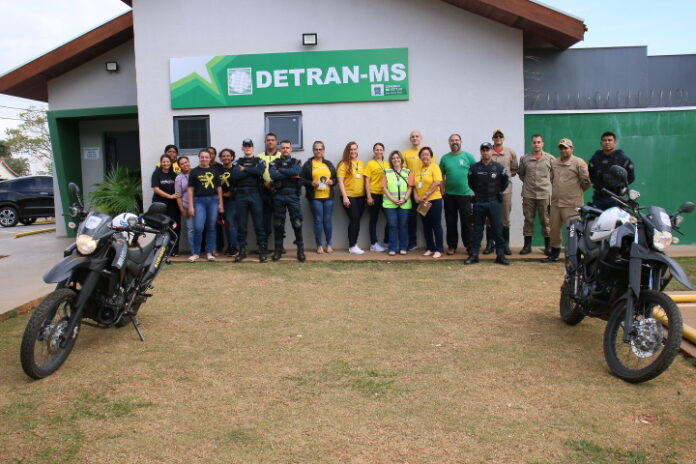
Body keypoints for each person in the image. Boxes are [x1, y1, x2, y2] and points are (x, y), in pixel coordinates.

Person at [543, 138, 591, 263]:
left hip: (572, 204)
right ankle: (554, 254)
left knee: (573, 231)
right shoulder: (554, 162)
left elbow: (586, 182)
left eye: (566, 147)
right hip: (556, 203)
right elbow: (552, 179)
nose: (563, 150)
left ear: (572, 148)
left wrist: (574, 194)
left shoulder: (579, 162)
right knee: (553, 230)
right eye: (561, 147)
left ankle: (574, 256)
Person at [466, 142, 510, 265]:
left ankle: (500, 255)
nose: (485, 152)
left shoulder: (499, 168)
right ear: (481, 152)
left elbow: (505, 182)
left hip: (494, 202)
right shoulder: (474, 168)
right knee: (477, 230)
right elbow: (471, 183)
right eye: (483, 150)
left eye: (488, 150)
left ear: (491, 151)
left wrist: (497, 192)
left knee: (497, 229)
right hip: (479, 203)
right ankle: (474, 255)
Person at [439, 133, 477, 256]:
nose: (454, 142)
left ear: (461, 142)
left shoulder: (468, 157)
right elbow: (440, 177)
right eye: (452, 140)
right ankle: (452, 246)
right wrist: (442, 192)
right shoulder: (445, 158)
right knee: (450, 222)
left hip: (465, 195)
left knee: (466, 222)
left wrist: (474, 190)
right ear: (449, 143)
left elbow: (475, 174)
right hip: (449, 195)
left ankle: (469, 246)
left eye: (457, 140)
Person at [483, 129, 518, 255]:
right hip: (489, 191)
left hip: (505, 191)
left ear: (503, 138)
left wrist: (504, 179)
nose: (498, 138)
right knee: (489, 218)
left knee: (504, 218)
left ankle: (505, 245)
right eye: (495, 136)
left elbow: (514, 170)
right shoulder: (487, 151)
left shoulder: (510, 152)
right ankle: (489, 244)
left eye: (500, 136)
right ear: (492, 138)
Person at [233, 138, 268, 262]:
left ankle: (262, 250)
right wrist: (252, 171)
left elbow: (260, 171)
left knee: (259, 224)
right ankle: (242, 251)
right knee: (242, 225)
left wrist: (245, 169)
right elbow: (236, 176)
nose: (247, 148)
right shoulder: (238, 162)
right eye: (245, 146)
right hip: (241, 195)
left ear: (253, 148)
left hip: (255, 195)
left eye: (249, 146)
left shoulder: (259, 160)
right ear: (242, 148)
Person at [518, 134, 554, 255]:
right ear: (531, 144)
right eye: (534, 142)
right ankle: (527, 246)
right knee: (528, 220)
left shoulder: (550, 158)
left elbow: (553, 176)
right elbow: (521, 174)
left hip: (544, 194)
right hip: (529, 194)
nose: (536, 144)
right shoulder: (524, 159)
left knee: (546, 220)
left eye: (539, 142)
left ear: (542, 143)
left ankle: (548, 246)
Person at [270, 140, 305, 262]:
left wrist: (282, 171)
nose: (285, 149)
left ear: (291, 149)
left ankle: (300, 250)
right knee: (278, 224)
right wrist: (289, 174)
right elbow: (273, 175)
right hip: (278, 195)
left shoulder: (296, 162)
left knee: (297, 223)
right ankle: (278, 250)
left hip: (292, 196)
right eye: (283, 148)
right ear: (280, 149)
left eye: (287, 148)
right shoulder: (274, 162)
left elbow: (296, 171)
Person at [300, 140, 337, 254]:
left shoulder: (329, 164)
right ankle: (319, 245)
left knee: (327, 221)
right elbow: (301, 179)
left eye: (320, 149)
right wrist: (311, 183)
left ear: (323, 150)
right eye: (316, 149)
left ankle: (329, 244)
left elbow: (336, 178)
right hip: (315, 198)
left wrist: (332, 181)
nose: (318, 151)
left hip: (328, 197)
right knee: (318, 221)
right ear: (313, 150)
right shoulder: (308, 164)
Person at [187, 149, 223, 262]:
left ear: (210, 158)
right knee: (198, 227)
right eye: (202, 157)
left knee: (211, 227)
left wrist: (221, 203)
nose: (204, 159)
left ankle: (209, 252)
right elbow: (190, 190)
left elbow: (219, 188)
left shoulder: (215, 170)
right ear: (199, 158)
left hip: (213, 200)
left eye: (206, 157)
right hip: (199, 201)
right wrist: (191, 206)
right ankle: (196, 252)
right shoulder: (194, 172)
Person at [588, 131, 635, 210]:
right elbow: (591, 176)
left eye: (610, 140)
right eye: (604, 140)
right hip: (599, 198)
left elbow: (631, 177)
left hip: (617, 198)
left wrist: (618, 186)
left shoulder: (623, 158)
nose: (607, 142)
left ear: (615, 142)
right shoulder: (595, 158)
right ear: (601, 143)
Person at [403, 130, 433, 250]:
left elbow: (432, 168)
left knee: (426, 218)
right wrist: (412, 187)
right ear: (410, 139)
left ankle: (429, 244)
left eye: (417, 136)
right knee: (412, 218)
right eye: (413, 137)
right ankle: (413, 242)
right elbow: (405, 172)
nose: (415, 138)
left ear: (421, 138)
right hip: (411, 191)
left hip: (426, 192)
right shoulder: (405, 153)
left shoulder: (427, 152)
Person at [413, 147, 444, 258]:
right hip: (422, 202)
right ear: (420, 157)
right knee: (426, 226)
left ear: (431, 156)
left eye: (427, 155)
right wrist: (416, 196)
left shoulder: (434, 167)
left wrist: (426, 195)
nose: (425, 157)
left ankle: (439, 249)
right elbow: (414, 186)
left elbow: (437, 182)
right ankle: (430, 248)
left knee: (436, 225)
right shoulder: (418, 170)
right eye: (423, 155)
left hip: (434, 200)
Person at [381, 150, 414, 255]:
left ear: (401, 159)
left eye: (398, 158)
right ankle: (392, 248)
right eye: (393, 158)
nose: (396, 160)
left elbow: (410, 188)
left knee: (403, 225)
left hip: (405, 204)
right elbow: (384, 188)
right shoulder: (386, 172)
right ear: (391, 160)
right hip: (390, 204)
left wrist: (404, 199)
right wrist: (392, 199)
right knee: (392, 225)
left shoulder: (408, 172)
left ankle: (403, 247)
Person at [337, 141, 367, 254]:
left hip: (361, 197)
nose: (353, 151)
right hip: (349, 196)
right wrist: (345, 197)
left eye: (355, 149)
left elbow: (364, 180)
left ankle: (354, 244)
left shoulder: (361, 163)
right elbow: (340, 182)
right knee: (354, 219)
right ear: (347, 151)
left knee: (357, 220)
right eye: (351, 150)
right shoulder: (343, 164)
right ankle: (352, 246)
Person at [151, 154, 180, 255]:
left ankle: (173, 250)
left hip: (173, 205)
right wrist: (169, 196)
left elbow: (179, 188)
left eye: (168, 161)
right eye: (164, 161)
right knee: (159, 227)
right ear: (161, 163)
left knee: (174, 226)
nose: (166, 163)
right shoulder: (156, 174)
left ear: (171, 163)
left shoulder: (174, 175)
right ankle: (159, 251)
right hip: (159, 205)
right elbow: (156, 189)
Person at [256, 133, 282, 244]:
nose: (270, 142)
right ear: (265, 142)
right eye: (268, 140)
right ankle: (264, 245)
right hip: (263, 192)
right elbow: (256, 175)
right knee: (264, 220)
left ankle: (279, 246)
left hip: (279, 191)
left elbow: (285, 173)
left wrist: (274, 184)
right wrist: (264, 183)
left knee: (279, 220)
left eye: (272, 140)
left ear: (276, 142)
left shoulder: (281, 156)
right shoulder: (259, 157)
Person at [364, 142, 389, 252]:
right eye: (376, 149)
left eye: (380, 149)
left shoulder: (387, 164)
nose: (379, 151)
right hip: (374, 194)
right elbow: (366, 181)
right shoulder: (370, 164)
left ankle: (387, 241)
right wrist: (369, 196)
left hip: (385, 195)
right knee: (373, 220)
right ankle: (373, 244)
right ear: (374, 151)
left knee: (390, 218)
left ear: (383, 151)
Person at [218, 148, 238, 257]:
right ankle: (230, 245)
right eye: (223, 156)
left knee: (231, 223)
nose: (226, 157)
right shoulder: (218, 170)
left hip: (233, 201)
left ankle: (234, 247)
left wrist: (228, 194)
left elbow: (238, 185)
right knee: (225, 224)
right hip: (221, 201)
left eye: (228, 155)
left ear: (232, 157)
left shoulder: (236, 169)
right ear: (220, 158)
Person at [174, 156, 193, 253]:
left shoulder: (197, 172)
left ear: (189, 162)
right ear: (179, 166)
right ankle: (194, 251)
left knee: (202, 228)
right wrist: (182, 210)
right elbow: (178, 195)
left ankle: (204, 250)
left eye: (186, 162)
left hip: (200, 205)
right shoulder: (179, 178)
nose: (185, 165)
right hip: (187, 206)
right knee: (190, 229)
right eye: (182, 164)